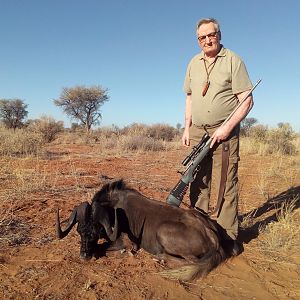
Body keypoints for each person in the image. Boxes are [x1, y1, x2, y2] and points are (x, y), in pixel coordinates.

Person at [182, 18, 253, 254]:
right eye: (202, 37)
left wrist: (226, 128)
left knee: (225, 183)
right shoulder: (193, 62)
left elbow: (247, 100)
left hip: (225, 132)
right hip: (197, 132)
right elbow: (190, 97)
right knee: (198, 181)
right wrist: (186, 127)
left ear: (219, 34)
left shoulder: (234, 60)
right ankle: (199, 231)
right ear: (197, 40)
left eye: (211, 35)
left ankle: (227, 236)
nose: (207, 40)